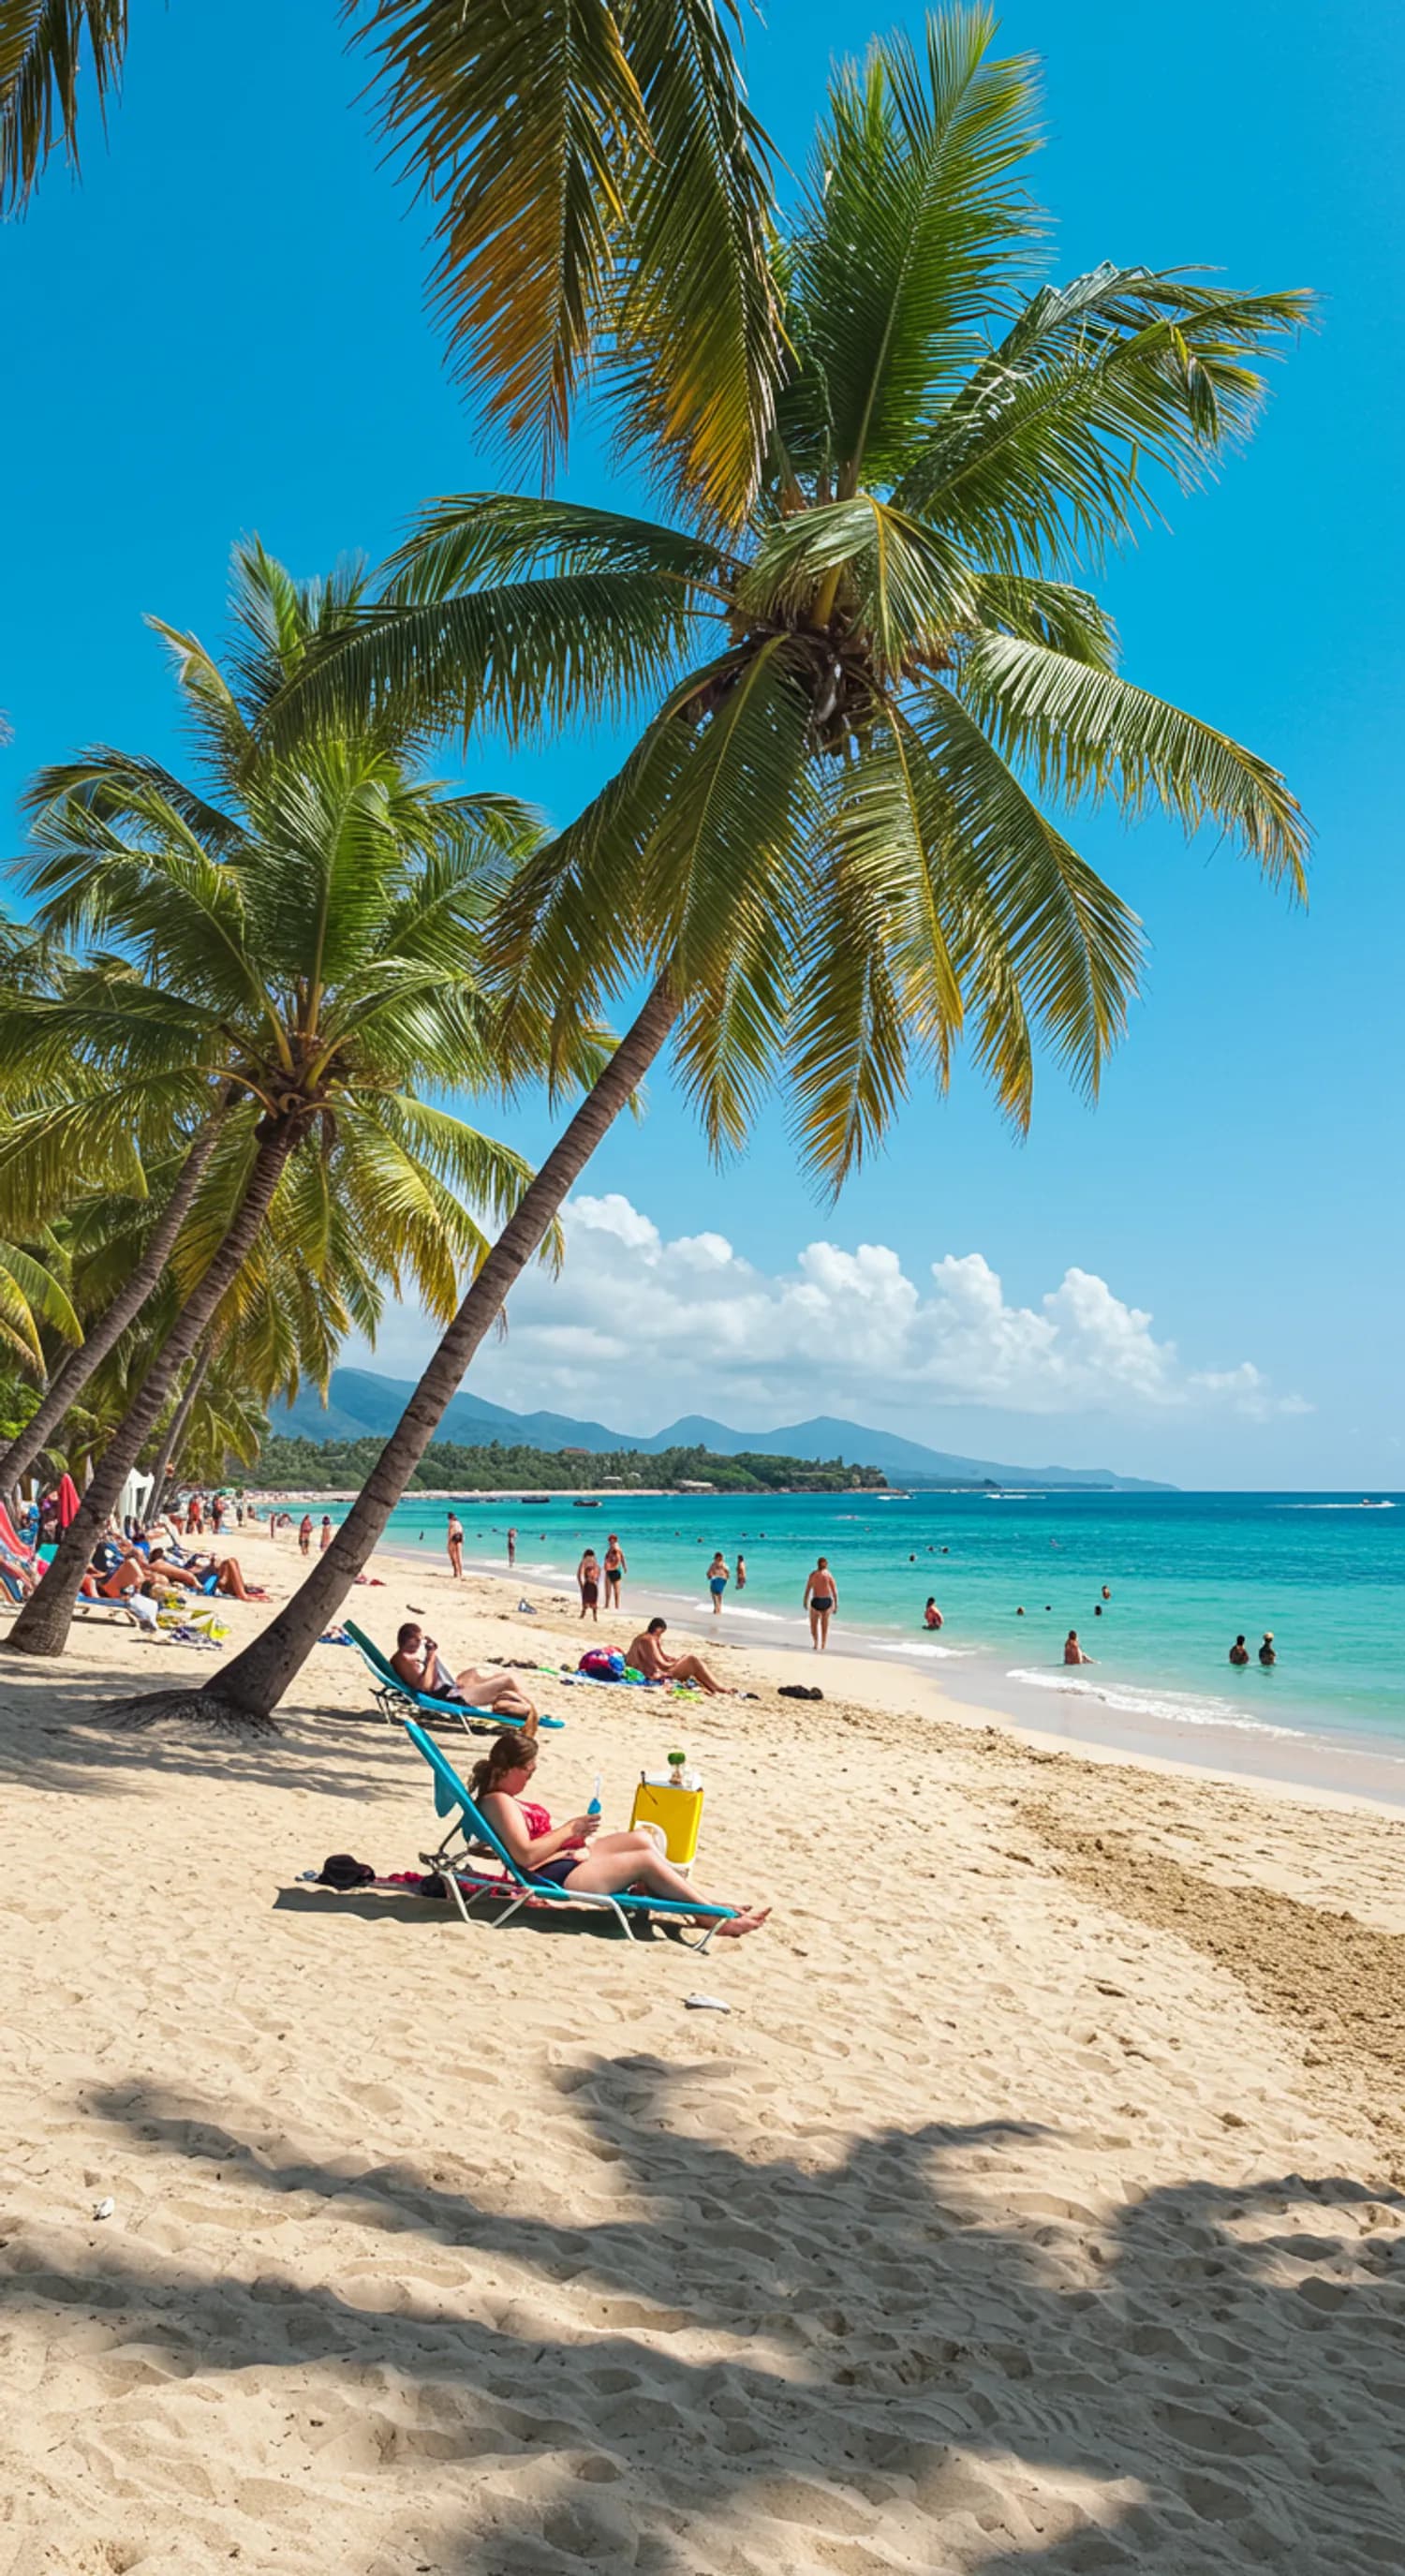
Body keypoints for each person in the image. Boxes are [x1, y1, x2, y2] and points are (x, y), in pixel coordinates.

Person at [470, 1731, 768, 1934]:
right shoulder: (498, 1801)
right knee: (644, 1861)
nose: (529, 1779)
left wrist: (573, 1841)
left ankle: (704, 1903)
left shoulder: (502, 1800)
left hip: (561, 1859)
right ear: (509, 1769)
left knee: (642, 1839)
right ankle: (709, 1916)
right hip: (554, 1875)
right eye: (528, 1772)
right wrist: (568, 1830)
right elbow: (524, 1855)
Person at [391, 1622, 538, 1725]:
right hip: (451, 1698)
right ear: (407, 1641)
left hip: (450, 1690)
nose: (419, 1645)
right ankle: (529, 1709)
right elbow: (425, 1687)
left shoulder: (406, 1656)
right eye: (416, 1642)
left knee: (481, 1675)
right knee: (508, 1679)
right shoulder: (404, 1659)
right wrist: (431, 1656)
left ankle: (514, 1704)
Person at [627, 1618, 726, 1695]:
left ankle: (714, 1686)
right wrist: (679, 1662)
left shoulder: (641, 1638)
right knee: (692, 1660)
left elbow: (659, 1656)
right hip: (653, 1676)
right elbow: (662, 1664)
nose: (660, 1637)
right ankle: (719, 1688)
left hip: (642, 1673)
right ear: (658, 1629)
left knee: (687, 1660)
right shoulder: (649, 1640)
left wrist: (675, 1659)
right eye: (660, 1633)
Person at [803, 1556, 837, 1651]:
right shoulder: (829, 1575)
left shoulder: (813, 1575)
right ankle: (823, 1644)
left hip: (816, 1601)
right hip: (826, 1601)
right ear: (826, 1565)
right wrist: (836, 1605)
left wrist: (805, 1601)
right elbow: (834, 1591)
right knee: (824, 1625)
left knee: (813, 1625)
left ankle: (816, 1643)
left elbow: (808, 1589)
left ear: (817, 1564)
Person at [602, 1532, 627, 1608]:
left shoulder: (618, 1550)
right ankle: (607, 1605)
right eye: (610, 1540)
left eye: (613, 1540)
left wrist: (624, 1566)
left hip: (616, 1572)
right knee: (607, 1591)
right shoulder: (609, 1550)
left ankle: (617, 1606)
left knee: (616, 1591)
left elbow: (620, 1559)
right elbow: (606, 1559)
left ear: (616, 1541)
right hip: (609, 1572)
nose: (611, 1542)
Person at [577, 1547, 600, 1621]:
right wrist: (596, 1580)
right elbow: (598, 1572)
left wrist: (581, 1584)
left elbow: (579, 1574)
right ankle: (594, 1616)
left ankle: (583, 1614)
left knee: (585, 1599)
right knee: (594, 1600)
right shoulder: (595, 1562)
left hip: (588, 1583)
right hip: (594, 1584)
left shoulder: (584, 1561)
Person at [706, 1551, 730, 1615]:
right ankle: (719, 1608)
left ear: (716, 1558)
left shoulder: (713, 1564)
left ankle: (716, 1607)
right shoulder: (724, 1564)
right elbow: (727, 1571)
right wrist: (727, 1578)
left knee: (713, 1593)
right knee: (719, 1593)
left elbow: (708, 1572)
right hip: (723, 1579)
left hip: (715, 1579)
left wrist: (709, 1576)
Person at [447, 1511, 465, 1580]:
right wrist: (462, 1541)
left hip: (454, 1538)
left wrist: (449, 1543)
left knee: (453, 1556)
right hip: (459, 1538)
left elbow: (450, 1534)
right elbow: (462, 1532)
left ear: (449, 1518)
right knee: (459, 1557)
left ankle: (456, 1572)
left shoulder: (451, 1523)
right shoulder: (459, 1523)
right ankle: (461, 1573)